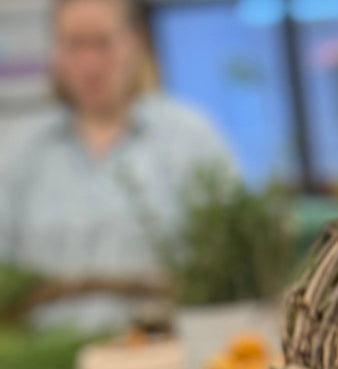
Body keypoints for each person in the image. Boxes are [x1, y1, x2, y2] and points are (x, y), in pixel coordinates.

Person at [0, 0, 236, 332]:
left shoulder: (192, 140)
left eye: (102, 43)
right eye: (74, 45)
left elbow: (234, 263)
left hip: (164, 354)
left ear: (135, 42)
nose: (89, 63)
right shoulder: (21, 154)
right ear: (56, 51)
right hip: (44, 364)